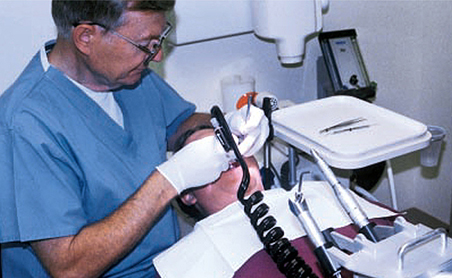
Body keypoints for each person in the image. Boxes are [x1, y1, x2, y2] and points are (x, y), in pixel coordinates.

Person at [0, 1, 268, 277]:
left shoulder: (124, 77)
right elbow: (69, 268)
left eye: (160, 39)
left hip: (170, 264)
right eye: (145, 44)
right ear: (86, 37)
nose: (157, 56)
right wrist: (169, 181)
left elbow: (177, 124)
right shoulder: (25, 123)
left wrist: (228, 125)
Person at [153, 127, 398, 278]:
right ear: (187, 195)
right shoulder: (184, 260)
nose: (225, 157)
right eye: (203, 157)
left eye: (230, 145)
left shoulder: (322, 191)